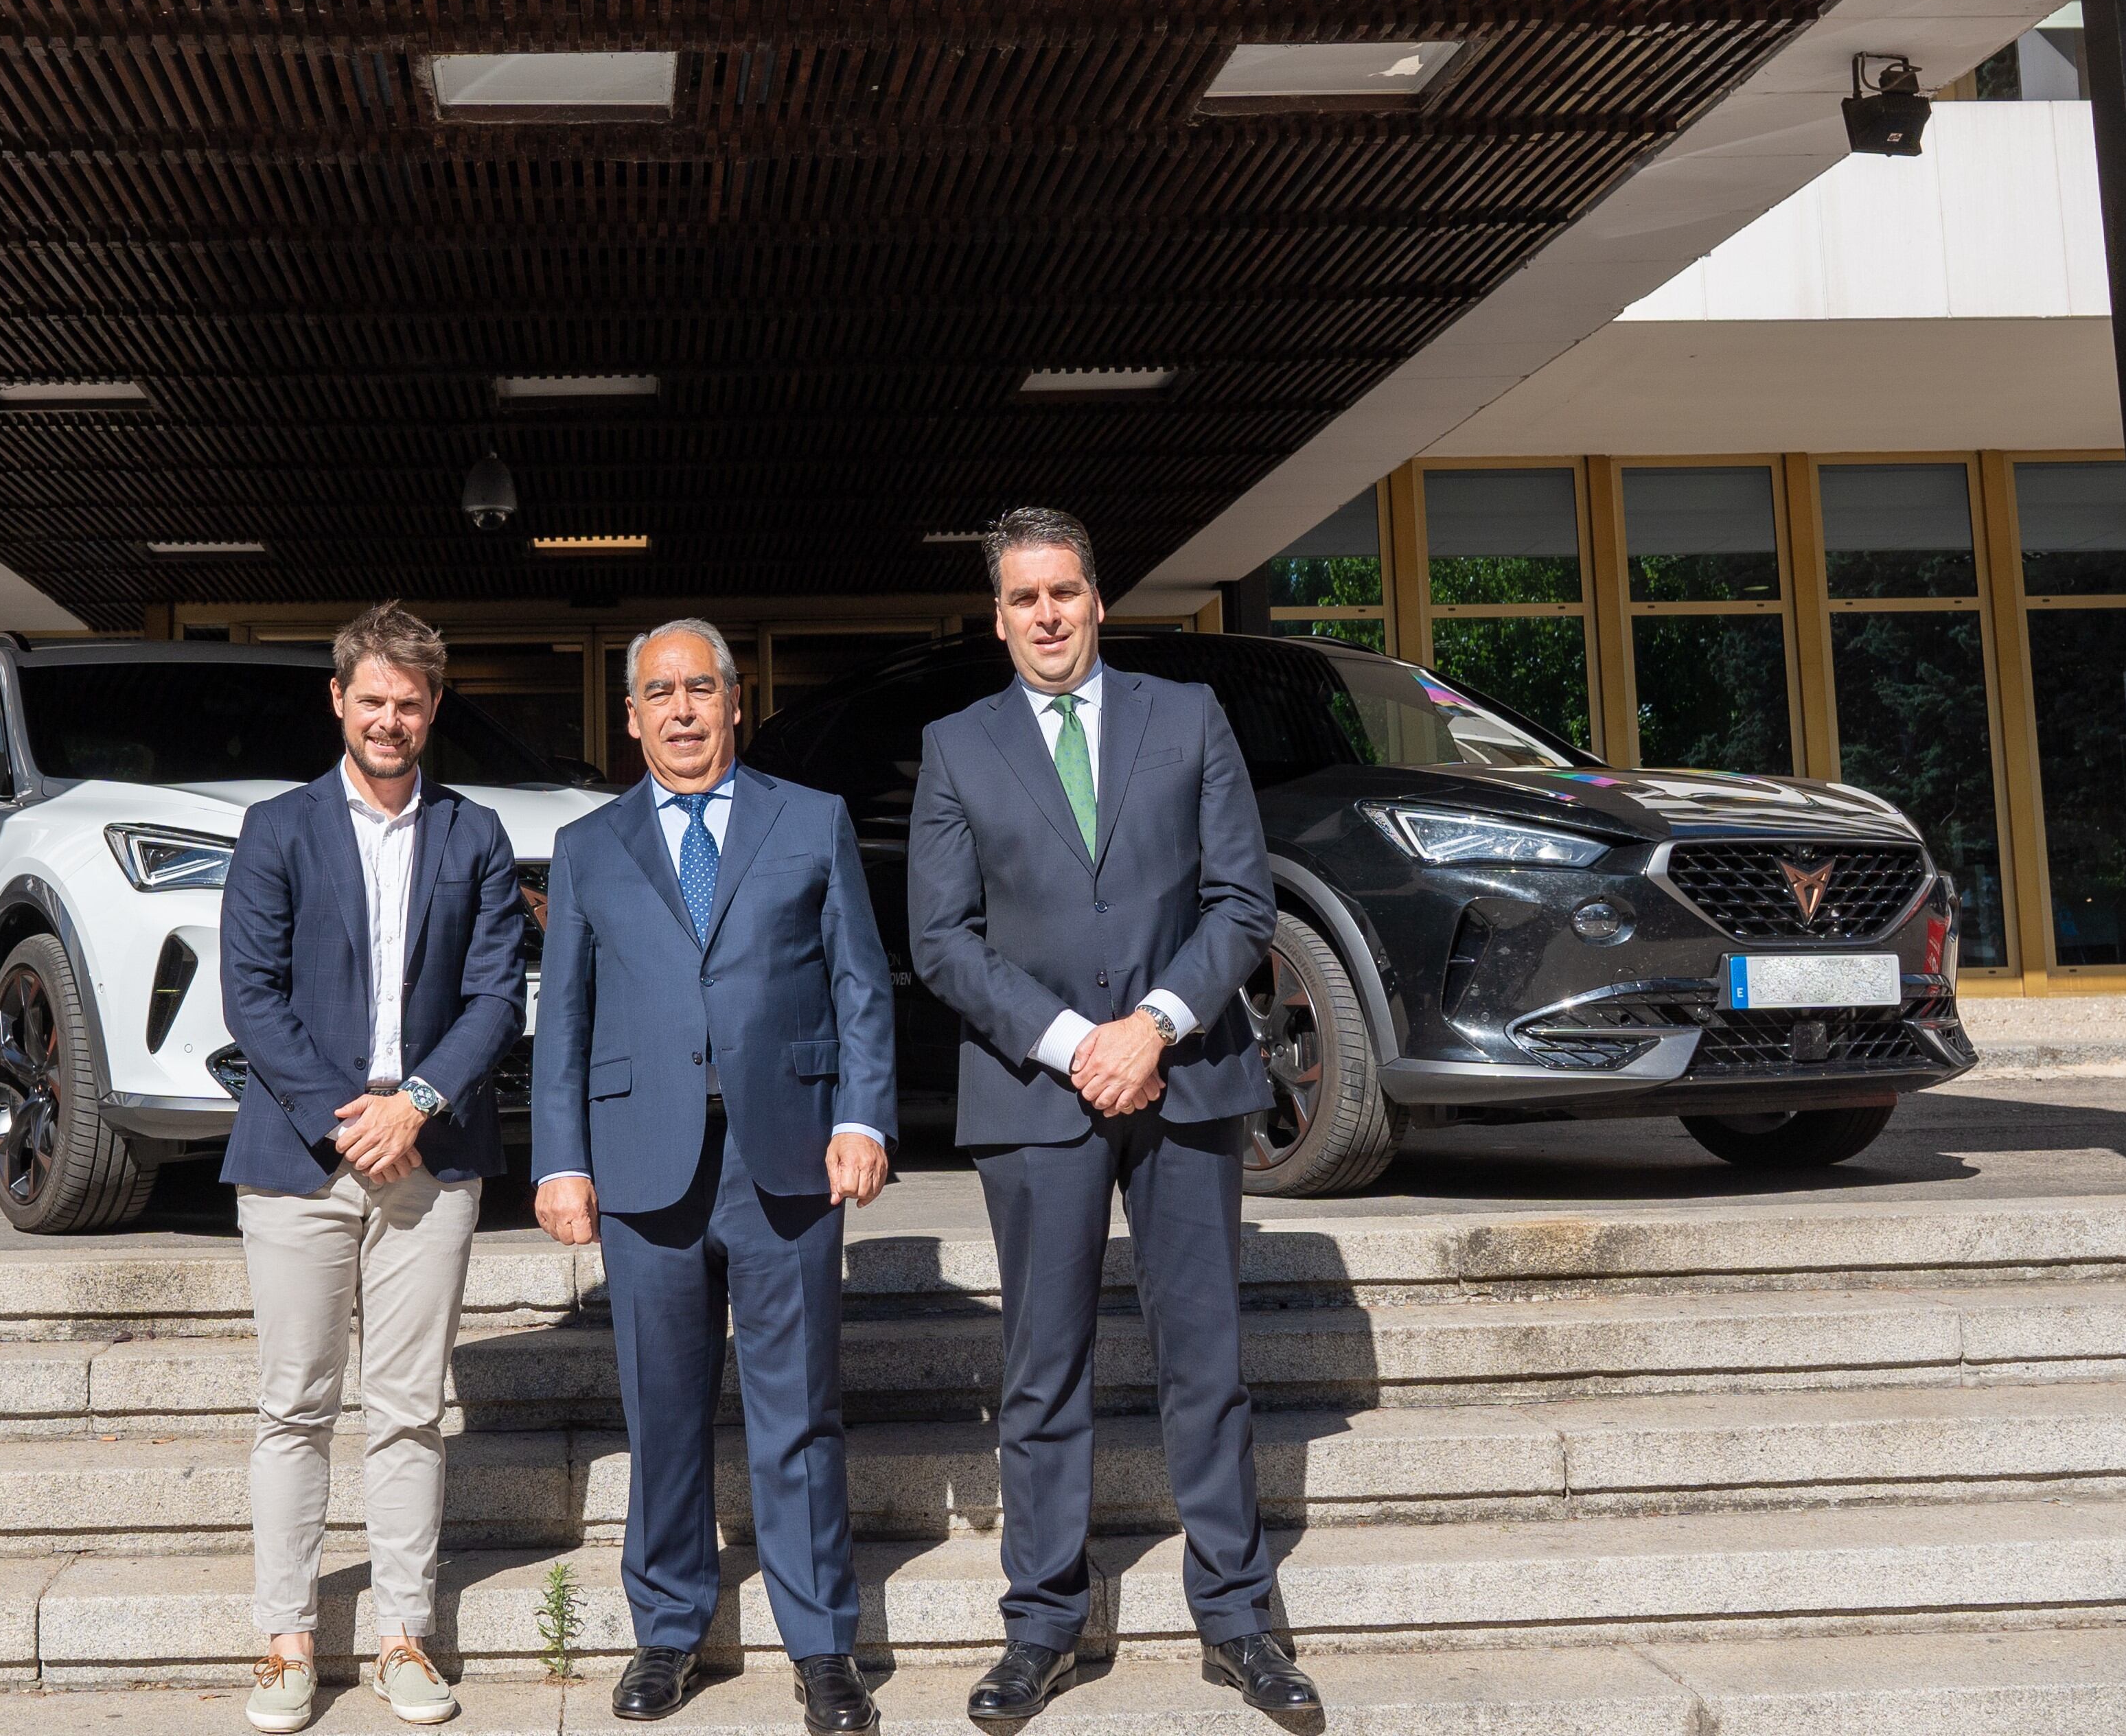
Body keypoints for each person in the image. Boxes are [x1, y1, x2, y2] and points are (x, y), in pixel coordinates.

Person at [906, 508, 1321, 1724]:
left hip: (1184, 1076)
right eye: (1024, 597)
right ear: (998, 617)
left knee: (1207, 1363)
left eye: (1066, 592)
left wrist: (1151, 1025)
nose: (1047, 614)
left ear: (1099, 602)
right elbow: (940, 939)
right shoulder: (954, 745)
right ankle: (1042, 1625)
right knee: (1042, 1373)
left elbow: (1242, 901)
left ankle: (1238, 1621)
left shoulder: (1185, 716)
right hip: (1038, 1091)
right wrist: (1074, 1043)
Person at [532, 618, 899, 1735]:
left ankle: (822, 1645)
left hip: (785, 1153)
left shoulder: (812, 819)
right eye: (660, 693)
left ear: (737, 704)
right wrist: (559, 1159)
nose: (683, 710)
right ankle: (669, 1633)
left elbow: (860, 986)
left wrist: (863, 1117)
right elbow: (564, 1021)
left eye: (702, 688)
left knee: (796, 1416)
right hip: (642, 1163)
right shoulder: (590, 847)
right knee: (662, 1412)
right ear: (631, 716)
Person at [217, 602, 529, 1733]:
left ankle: (404, 1635)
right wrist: (345, 1116)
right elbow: (249, 994)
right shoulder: (276, 828)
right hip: (298, 1159)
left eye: (410, 702)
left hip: (430, 1160)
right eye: (373, 700)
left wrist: (417, 1107)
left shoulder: (474, 834)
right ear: (337, 701)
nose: (390, 719)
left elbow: (497, 994)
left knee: (405, 1409)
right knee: (294, 1404)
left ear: (433, 708)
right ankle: (285, 1643)